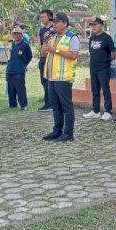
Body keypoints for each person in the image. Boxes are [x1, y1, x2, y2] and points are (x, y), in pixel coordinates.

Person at [41, 12, 80, 142]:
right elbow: (43, 53)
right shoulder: (53, 37)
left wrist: (55, 50)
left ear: (64, 23)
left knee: (66, 106)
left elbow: (74, 55)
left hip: (64, 78)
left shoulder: (71, 38)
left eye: (57, 22)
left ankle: (68, 133)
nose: (54, 24)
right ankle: (57, 130)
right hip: (52, 77)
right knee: (55, 105)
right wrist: (45, 44)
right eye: (54, 22)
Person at [83, 17, 116, 121]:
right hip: (93, 67)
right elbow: (91, 52)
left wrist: (105, 61)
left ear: (101, 25)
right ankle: (95, 111)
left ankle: (108, 111)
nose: (93, 27)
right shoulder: (92, 38)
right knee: (95, 90)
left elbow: (113, 54)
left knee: (105, 89)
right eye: (92, 25)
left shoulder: (107, 38)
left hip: (103, 68)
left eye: (96, 24)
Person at [6, 26, 32, 110]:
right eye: (15, 34)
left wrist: (24, 64)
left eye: (18, 34)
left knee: (20, 88)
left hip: (19, 70)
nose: (16, 35)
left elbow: (30, 56)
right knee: (11, 89)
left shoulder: (25, 45)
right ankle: (12, 105)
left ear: (21, 35)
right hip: (10, 70)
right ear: (12, 35)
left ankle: (24, 105)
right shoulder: (12, 44)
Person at [37, 9, 54, 111]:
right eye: (41, 17)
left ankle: (52, 103)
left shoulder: (54, 29)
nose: (42, 19)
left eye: (44, 17)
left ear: (50, 17)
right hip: (43, 58)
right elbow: (42, 45)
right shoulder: (42, 30)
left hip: (52, 58)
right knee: (44, 81)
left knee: (50, 81)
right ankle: (47, 102)